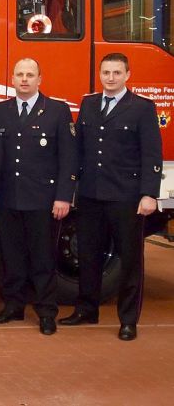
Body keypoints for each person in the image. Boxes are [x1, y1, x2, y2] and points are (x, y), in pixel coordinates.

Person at [59, 53, 162, 341]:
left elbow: (151, 153)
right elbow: (79, 149)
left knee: (130, 261)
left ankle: (128, 319)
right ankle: (86, 309)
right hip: (91, 194)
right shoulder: (89, 104)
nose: (111, 78)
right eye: (106, 72)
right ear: (100, 74)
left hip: (126, 197)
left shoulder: (142, 108)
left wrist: (149, 194)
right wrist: (72, 188)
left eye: (117, 72)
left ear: (127, 75)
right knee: (89, 256)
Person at [0, 58, 77, 336]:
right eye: (19, 75)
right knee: (11, 257)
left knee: (43, 259)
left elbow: (68, 158)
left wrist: (64, 196)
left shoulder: (56, 111)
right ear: (13, 79)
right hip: (8, 198)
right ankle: (13, 307)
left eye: (30, 75)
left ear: (40, 79)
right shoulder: (0, 111)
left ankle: (46, 312)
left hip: (43, 199)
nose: (24, 79)